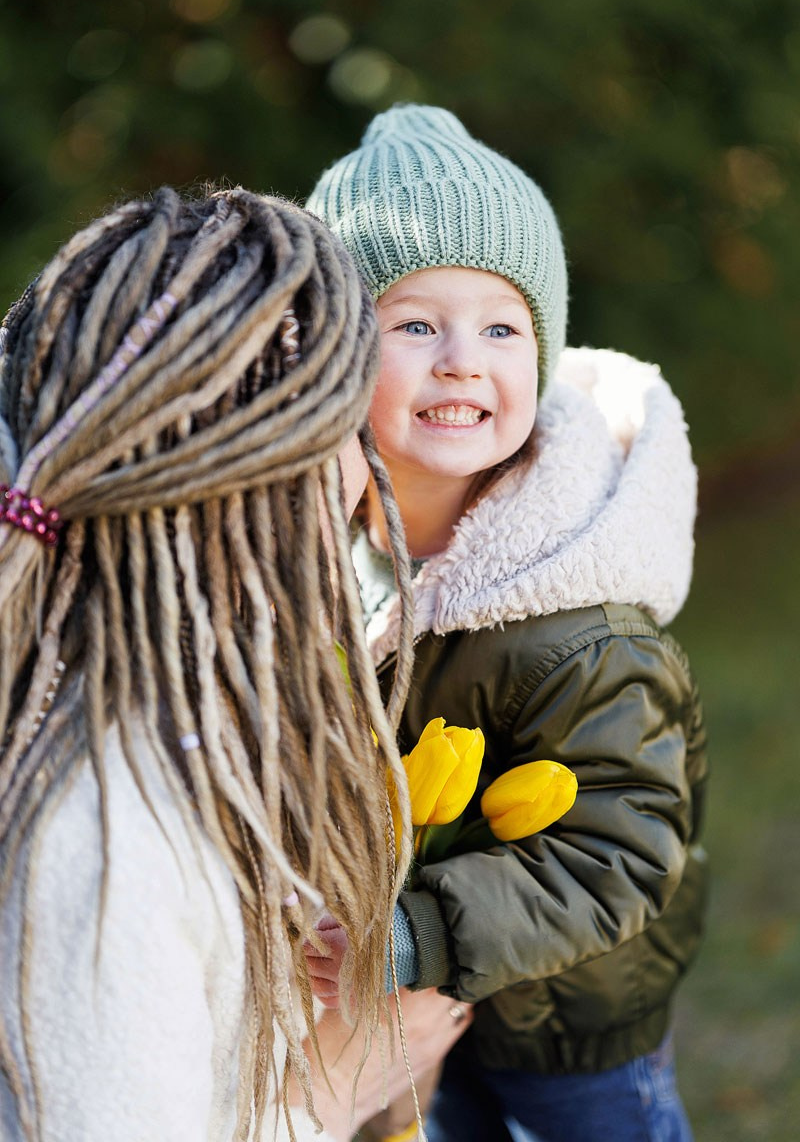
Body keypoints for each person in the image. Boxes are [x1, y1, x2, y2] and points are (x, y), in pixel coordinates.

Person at [0, 187, 471, 1142]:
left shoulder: (166, 711)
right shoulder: (106, 836)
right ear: (270, 484)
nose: (369, 460)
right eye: (344, 424)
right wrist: (331, 1097)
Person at [304, 105, 709, 1142]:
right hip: (412, 1016)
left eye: (500, 326)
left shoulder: (578, 612)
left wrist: (407, 937)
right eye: (413, 325)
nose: (459, 360)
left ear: (543, 348)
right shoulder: (324, 563)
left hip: (568, 1030)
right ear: (333, 360)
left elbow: (616, 848)